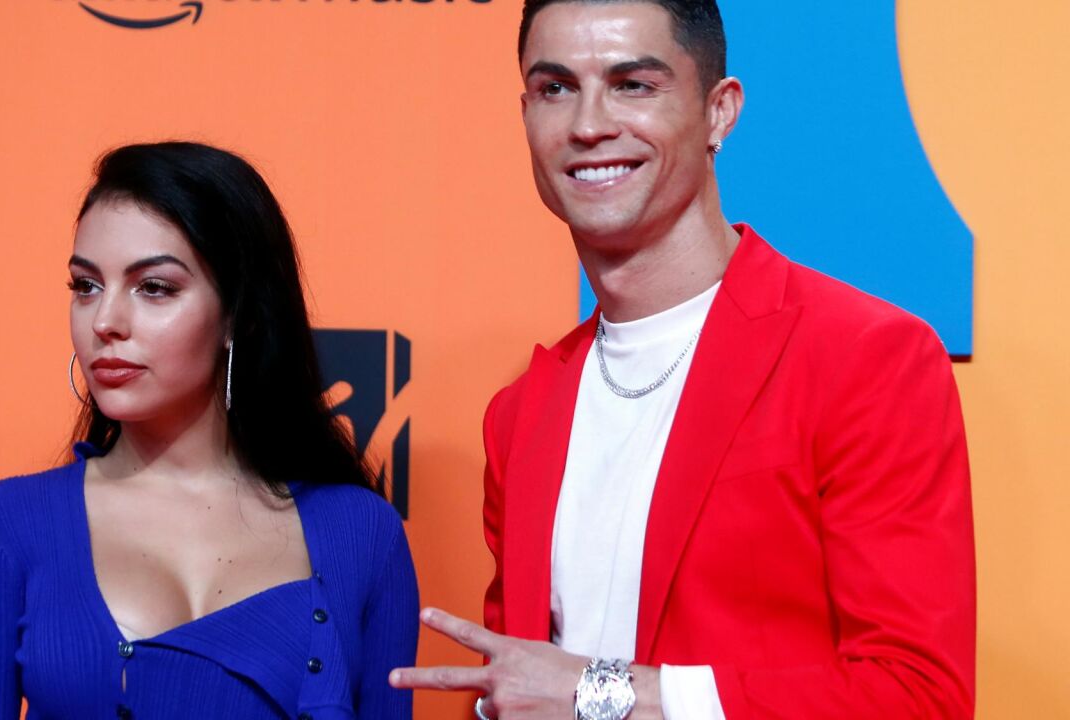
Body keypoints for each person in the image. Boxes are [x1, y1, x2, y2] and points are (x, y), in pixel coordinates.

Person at [390, 1, 975, 718]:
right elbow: (529, 686)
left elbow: (916, 696)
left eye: (633, 84)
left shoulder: (864, 358)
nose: (588, 124)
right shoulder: (521, 415)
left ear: (719, 112)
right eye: (556, 88)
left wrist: (600, 694)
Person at [0, 142, 419, 719]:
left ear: (238, 314)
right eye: (86, 286)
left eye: (154, 287)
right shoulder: (5, 526)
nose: (105, 321)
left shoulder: (363, 535)